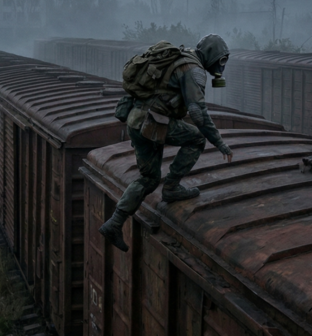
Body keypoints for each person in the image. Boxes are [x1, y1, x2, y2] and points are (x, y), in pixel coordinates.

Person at [99, 34, 234, 252]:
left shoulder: (180, 56)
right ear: (212, 56)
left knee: (149, 178)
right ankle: (171, 188)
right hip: (153, 123)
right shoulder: (194, 70)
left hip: (136, 121)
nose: (221, 66)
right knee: (197, 139)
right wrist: (220, 143)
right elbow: (198, 113)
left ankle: (114, 223)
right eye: (221, 60)